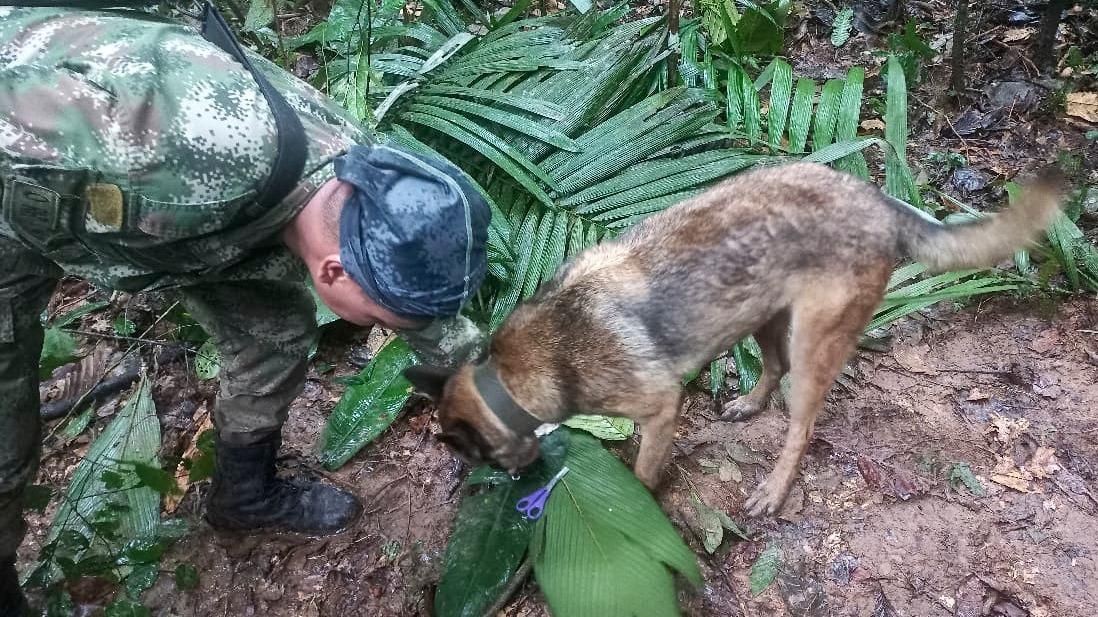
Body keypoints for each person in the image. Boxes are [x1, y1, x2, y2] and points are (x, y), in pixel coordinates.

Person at [0, 6, 490, 614]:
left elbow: (422, 310)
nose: (388, 328)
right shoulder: (176, 177)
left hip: (149, 198)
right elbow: (80, 219)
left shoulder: (360, 181)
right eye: (382, 318)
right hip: (25, 173)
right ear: (332, 271)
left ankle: (243, 495)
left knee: (275, 335)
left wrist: (499, 400)